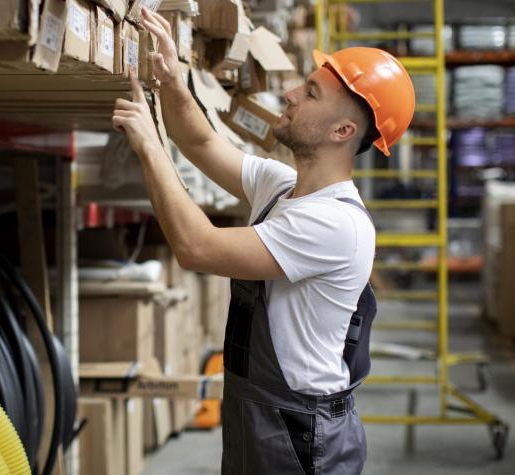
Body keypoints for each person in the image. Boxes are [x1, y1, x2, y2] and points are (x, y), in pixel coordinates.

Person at [112, 7, 415, 474]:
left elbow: (198, 248)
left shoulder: (335, 224)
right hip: (258, 412)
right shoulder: (282, 187)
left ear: (342, 131)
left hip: (299, 433)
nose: (291, 94)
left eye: (310, 93)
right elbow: (201, 144)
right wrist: (172, 79)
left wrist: (151, 146)